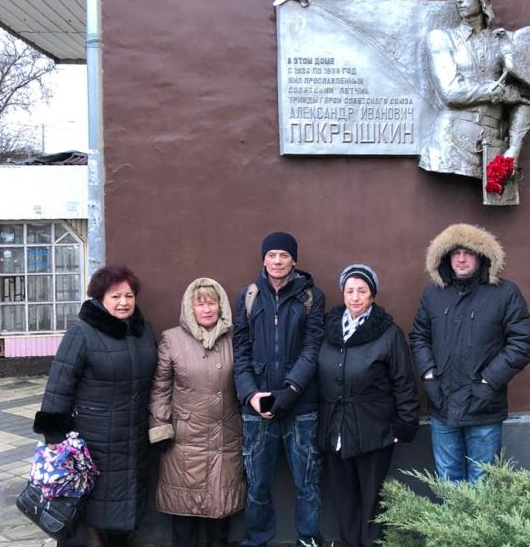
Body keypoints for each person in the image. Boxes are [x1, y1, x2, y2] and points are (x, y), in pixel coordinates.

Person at [32, 264, 157, 547]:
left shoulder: (143, 331)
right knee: (87, 515)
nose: (123, 302)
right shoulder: (82, 333)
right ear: (100, 298)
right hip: (92, 444)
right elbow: (59, 387)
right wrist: (55, 440)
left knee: (123, 511)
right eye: (115, 296)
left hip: (133, 440)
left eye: (128, 295)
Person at [410, 223, 530, 483]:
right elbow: (419, 336)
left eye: (468, 252)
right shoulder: (434, 294)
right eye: (455, 253)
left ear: (481, 256)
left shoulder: (505, 293)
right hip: (442, 405)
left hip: (483, 406)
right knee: (448, 482)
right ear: (445, 257)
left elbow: (523, 342)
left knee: (483, 484)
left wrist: (489, 381)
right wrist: (430, 376)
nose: (461, 259)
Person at [233, 232, 325, 547]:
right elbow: (240, 352)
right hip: (257, 408)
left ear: (293, 260)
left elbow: (312, 348)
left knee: (307, 483)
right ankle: (256, 540)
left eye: (284, 255)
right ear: (263, 259)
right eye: (271, 255)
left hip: (301, 406)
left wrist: (290, 390)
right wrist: (250, 394)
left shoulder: (311, 297)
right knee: (257, 485)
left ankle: (308, 540)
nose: (277, 261)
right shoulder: (248, 296)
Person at [318, 264, 418, 547]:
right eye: (350, 291)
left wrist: (405, 423)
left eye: (362, 291)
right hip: (335, 428)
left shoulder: (389, 333)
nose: (355, 297)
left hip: (374, 429)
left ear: (372, 295)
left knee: (372, 499)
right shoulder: (329, 330)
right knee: (343, 497)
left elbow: (404, 381)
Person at [148, 278, 245, 547]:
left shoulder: (235, 339)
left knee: (220, 511)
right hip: (184, 441)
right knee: (184, 511)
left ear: (221, 306)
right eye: (200, 304)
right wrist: (160, 426)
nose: (206, 309)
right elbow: (160, 387)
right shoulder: (172, 339)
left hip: (226, 437)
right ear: (189, 308)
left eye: (211, 303)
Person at [420, 0, 530, 179]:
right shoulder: (441, 38)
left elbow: (525, 98)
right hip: (449, 145)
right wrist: (499, 93)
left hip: (492, 147)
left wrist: (514, 149)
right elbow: (451, 92)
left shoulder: (503, 42)